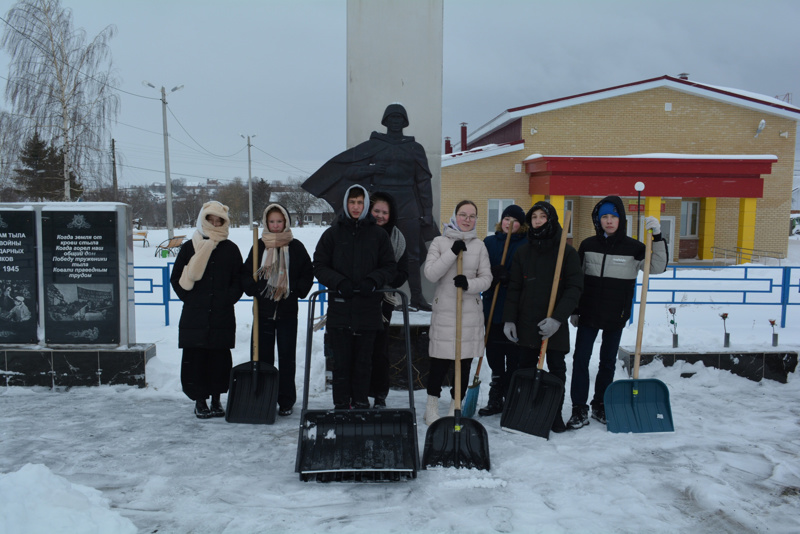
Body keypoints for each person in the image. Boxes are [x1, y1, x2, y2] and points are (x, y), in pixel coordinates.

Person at [302, 103, 438, 311]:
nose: (395, 122)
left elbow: (423, 182)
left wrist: (427, 211)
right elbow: (349, 172)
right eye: (391, 118)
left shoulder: (414, 148)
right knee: (376, 251)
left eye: (399, 118)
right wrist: (371, 168)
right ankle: (383, 294)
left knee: (414, 253)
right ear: (385, 121)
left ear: (404, 121)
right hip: (378, 203)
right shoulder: (373, 145)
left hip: (408, 201)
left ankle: (416, 297)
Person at [566, 196, 668, 429]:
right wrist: (574, 309)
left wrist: (658, 238)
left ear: (621, 219)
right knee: (580, 360)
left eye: (613, 216)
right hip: (588, 313)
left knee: (607, 362)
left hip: (616, 314)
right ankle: (578, 408)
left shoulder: (634, 248)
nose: (609, 221)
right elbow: (577, 279)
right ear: (598, 220)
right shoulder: (588, 245)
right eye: (605, 217)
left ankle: (600, 404)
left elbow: (657, 267)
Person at [313, 185, 397, 409]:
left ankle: (360, 404)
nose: (356, 207)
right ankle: (341, 405)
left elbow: (390, 266)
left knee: (363, 362)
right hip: (340, 309)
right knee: (341, 363)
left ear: (366, 204)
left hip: (368, 310)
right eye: (352, 202)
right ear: (346, 204)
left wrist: (373, 281)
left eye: (360, 202)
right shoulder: (332, 233)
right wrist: (339, 282)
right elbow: (319, 264)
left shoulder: (378, 235)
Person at [502, 201, 583, 433]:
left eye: (542, 217)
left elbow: (574, 288)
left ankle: (553, 413)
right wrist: (510, 319)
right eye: (534, 217)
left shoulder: (566, 253)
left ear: (551, 219)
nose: (537, 221)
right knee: (525, 367)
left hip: (554, 324)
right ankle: (525, 410)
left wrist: (558, 319)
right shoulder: (523, 252)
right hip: (527, 321)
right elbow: (515, 288)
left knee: (557, 369)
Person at [171, 201, 243, 419]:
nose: (214, 223)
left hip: (221, 315)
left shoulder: (230, 249)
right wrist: (191, 300)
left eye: (218, 220)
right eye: (210, 220)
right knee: (196, 360)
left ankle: (217, 400)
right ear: (203, 220)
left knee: (218, 360)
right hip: (195, 316)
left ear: (224, 222)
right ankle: (200, 401)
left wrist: (227, 299)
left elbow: (238, 280)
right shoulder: (189, 247)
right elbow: (176, 279)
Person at [423, 200, 492, 425]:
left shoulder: (479, 246)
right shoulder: (439, 242)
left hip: (469, 314)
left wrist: (469, 284)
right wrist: (452, 253)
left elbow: (487, 279)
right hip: (445, 312)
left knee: (463, 365)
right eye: (463, 215)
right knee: (439, 364)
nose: (467, 219)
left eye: (472, 216)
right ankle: (431, 406)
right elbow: (431, 273)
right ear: (455, 216)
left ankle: (457, 406)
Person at [241, 203, 314, 417]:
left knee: (286, 356)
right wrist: (254, 288)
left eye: (279, 221)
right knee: (262, 356)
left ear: (286, 222)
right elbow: (246, 272)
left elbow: (307, 272)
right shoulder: (259, 246)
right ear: (266, 222)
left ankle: (285, 399)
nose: (275, 225)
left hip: (287, 312)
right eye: (271, 221)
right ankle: (264, 396)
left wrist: (296, 291)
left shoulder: (296, 247)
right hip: (263, 311)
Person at [478, 204, 528, 416]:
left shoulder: (527, 244)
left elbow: (528, 274)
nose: (510, 223)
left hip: (516, 308)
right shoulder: (489, 242)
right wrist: (491, 275)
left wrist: (510, 277)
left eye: (515, 220)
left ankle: (512, 396)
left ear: (521, 224)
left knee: (514, 353)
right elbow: (479, 270)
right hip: (492, 306)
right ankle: (496, 393)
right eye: (506, 219)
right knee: (494, 351)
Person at [367, 191, 409, 408]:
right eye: (376, 211)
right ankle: (359, 393)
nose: (380, 216)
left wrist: (384, 277)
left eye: (385, 212)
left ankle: (379, 394)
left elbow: (403, 271)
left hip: (384, 299)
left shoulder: (397, 238)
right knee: (360, 349)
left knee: (379, 350)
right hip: (361, 297)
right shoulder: (360, 232)